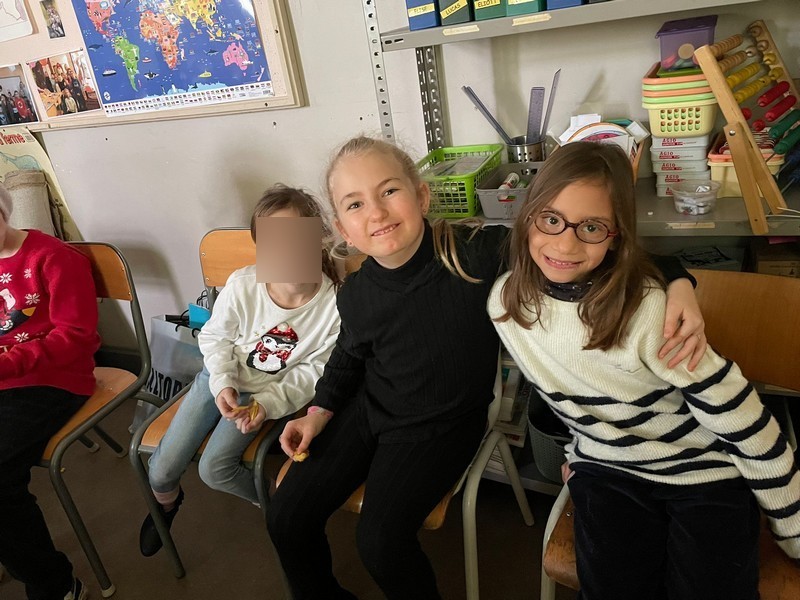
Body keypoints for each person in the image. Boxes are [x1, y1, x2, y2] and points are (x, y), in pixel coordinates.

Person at [266, 135, 708, 600]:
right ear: (342, 227)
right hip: (369, 410)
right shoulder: (357, 290)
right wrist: (319, 411)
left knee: (379, 543)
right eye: (356, 204)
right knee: (285, 516)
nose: (376, 212)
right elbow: (349, 354)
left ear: (421, 196)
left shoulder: (475, 252)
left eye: (389, 191)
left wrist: (678, 282)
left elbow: (609, 257)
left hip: (441, 427)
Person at [488, 141, 800, 600]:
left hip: (702, 470)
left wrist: (792, 527)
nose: (565, 243)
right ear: (527, 215)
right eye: (551, 219)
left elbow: (741, 418)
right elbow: (571, 396)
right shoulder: (506, 305)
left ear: (616, 236)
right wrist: (580, 453)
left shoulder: (650, 312)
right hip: (608, 470)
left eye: (591, 227)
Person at [138, 184, 342, 557]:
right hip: (219, 378)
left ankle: (278, 504)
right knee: (160, 469)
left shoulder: (332, 306)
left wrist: (266, 404)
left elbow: (312, 373)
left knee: (214, 470)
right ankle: (166, 506)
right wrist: (222, 383)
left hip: (266, 393)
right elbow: (215, 338)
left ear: (318, 238)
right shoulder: (244, 283)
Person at [0, 183, 99, 600]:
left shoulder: (53, 258)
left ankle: (56, 587)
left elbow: (76, 336)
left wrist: (9, 363)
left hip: (52, 378)